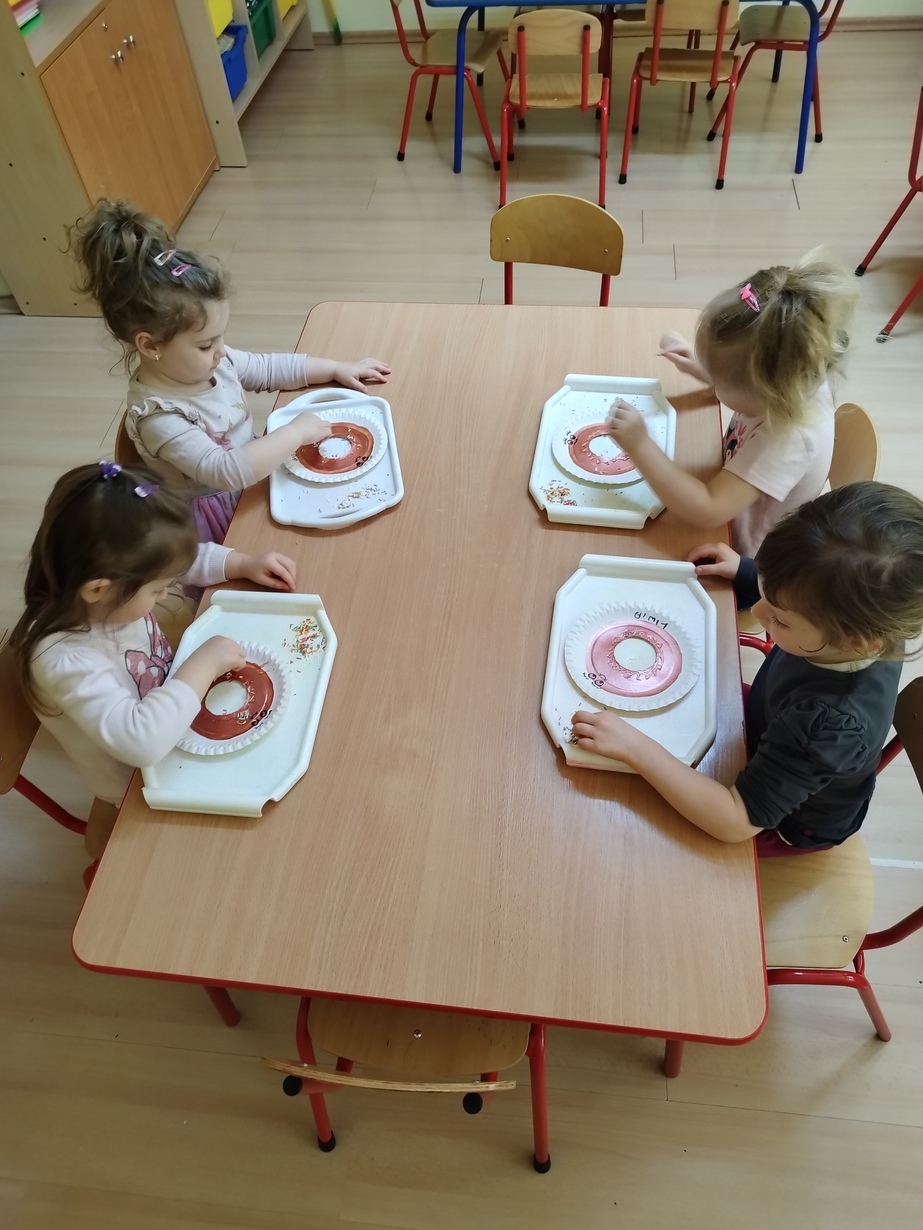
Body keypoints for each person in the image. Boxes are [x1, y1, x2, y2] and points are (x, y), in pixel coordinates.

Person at [572, 482, 923, 855]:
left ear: (858, 641)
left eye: (780, 619)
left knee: (632, 836)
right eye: (765, 591)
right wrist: (747, 572)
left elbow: (734, 820)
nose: (756, 613)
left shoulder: (831, 724)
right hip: (766, 724)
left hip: (785, 821)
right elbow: (811, 587)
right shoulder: (872, 616)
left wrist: (636, 749)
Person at [72, 199, 391, 543]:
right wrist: (295, 433)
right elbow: (226, 472)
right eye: (206, 344)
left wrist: (336, 368)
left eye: (220, 337)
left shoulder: (210, 362)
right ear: (151, 346)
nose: (222, 351)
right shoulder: (161, 419)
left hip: (257, 471)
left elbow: (268, 368)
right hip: (221, 518)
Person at [9, 462, 298, 836]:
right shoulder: (64, 660)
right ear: (98, 589)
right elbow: (140, 742)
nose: (164, 595)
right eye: (157, 590)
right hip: (140, 782)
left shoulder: (108, 588)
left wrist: (241, 563)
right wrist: (203, 665)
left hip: (176, 718)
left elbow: (177, 561)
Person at [606, 249, 857, 557]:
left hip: (744, 557)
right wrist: (704, 366)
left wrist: (640, 445)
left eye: (718, 378)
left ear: (764, 389)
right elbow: (754, 377)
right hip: (730, 494)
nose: (712, 379)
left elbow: (708, 509)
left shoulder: (785, 441)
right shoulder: (800, 371)